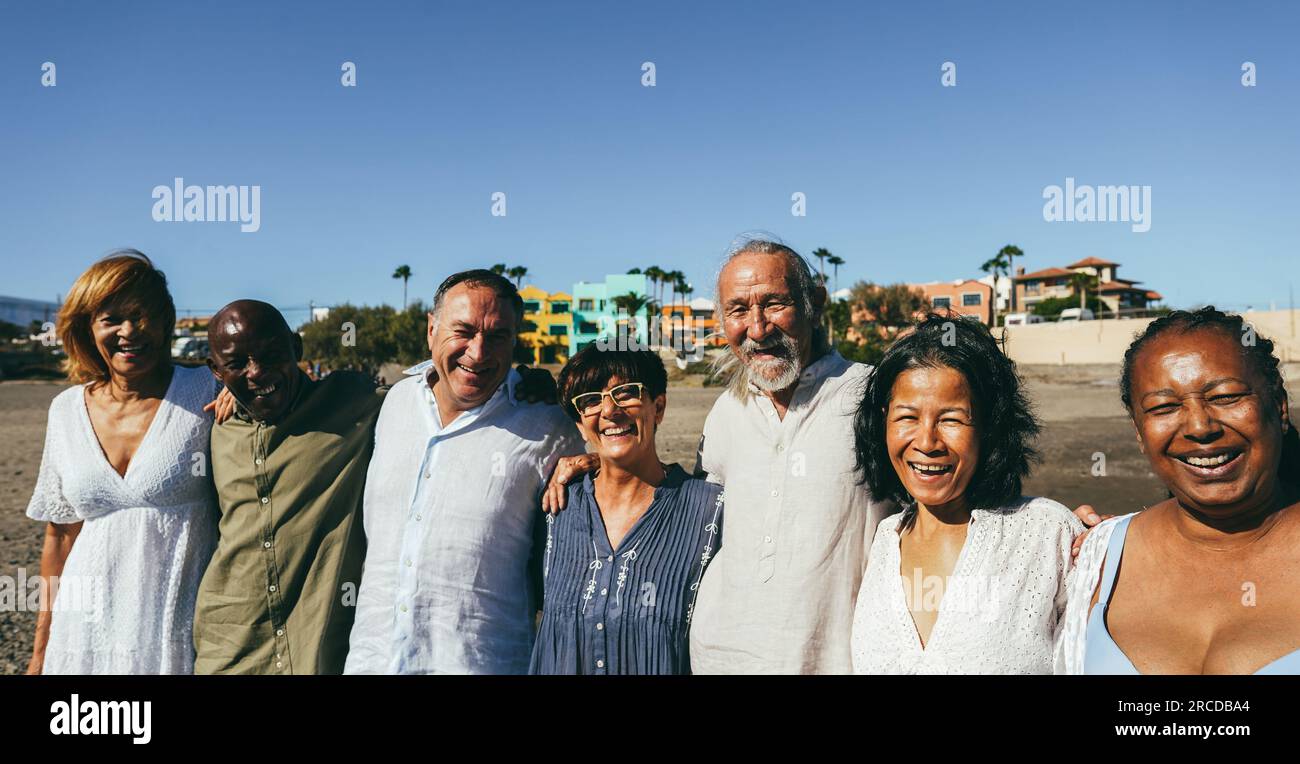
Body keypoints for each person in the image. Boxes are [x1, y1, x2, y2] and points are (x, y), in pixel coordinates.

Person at [345, 269, 583, 674]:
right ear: (432, 328)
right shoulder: (394, 403)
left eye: (497, 336)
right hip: (373, 660)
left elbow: (611, 495)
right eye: (464, 331)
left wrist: (598, 462)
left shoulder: (547, 426)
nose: (478, 352)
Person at [1056, 307, 1300, 675]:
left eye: (1225, 397)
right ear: (1139, 433)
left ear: (1279, 408)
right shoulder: (1095, 560)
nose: (1200, 427)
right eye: (1164, 407)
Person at [849, 314, 1080, 674]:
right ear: (883, 422)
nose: (926, 442)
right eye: (907, 417)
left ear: (989, 427)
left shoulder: (1049, 533)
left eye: (952, 419)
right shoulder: (882, 540)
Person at [25, 250, 219, 674]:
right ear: (87, 329)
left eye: (142, 315)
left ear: (165, 321)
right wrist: (41, 650)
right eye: (111, 318)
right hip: (82, 637)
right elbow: (59, 537)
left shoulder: (206, 391)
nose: (129, 331)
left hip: (176, 635)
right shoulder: (65, 411)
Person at [193, 300, 385, 674]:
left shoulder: (351, 402)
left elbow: (437, 386)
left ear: (296, 349)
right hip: (228, 644)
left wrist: (527, 385)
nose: (257, 372)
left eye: (271, 355)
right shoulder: (212, 427)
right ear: (216, 371)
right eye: (237, 363)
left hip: (316, 646)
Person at [530, 345, 723, 675]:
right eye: (591, 400)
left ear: (658, 407)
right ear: (579, 425)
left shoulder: (711, 514)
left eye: (626, 393)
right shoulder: (554, 509)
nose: (609, 411)